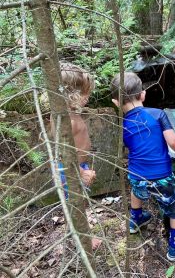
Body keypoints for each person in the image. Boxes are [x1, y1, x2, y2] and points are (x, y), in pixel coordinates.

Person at [110, 72, 175, 261]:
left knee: (137, 191)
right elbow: (173, 141)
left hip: (135, 175)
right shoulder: (157, 114)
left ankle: (135, 220)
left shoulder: (124, 124)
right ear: (143, 94)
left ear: (116, 102)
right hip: (161, 177)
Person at [51, 62, 101, 249]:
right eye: (85, 93)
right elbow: (62, 154)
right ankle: (82, 239)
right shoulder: (67, 121)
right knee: (76, 204)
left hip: (76, 168)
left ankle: (80, 232)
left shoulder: (67, 114)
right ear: (71, 95)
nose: (88, 97)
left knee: (79, 203)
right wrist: (80, 171)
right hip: (70, 170)